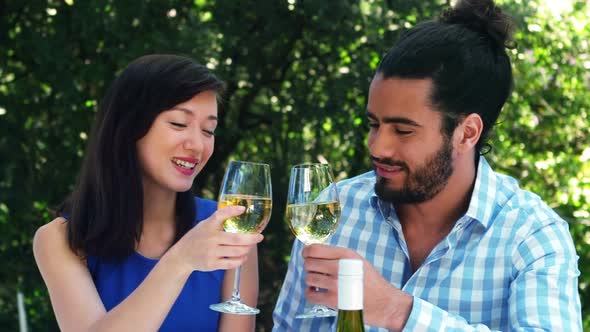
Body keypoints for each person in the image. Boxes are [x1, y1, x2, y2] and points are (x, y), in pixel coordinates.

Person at [273, 0, 582, 331]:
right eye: (374, 124)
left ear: (467, 133)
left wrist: (396, 311)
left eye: (403, 130)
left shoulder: (532, 235)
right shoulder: (333, 212)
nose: (377, 146)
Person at [33, 54, 263, 332]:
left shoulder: (228, 230)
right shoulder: (60, 238)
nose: (197, 145)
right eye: (179, 124)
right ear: (129, 127)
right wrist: (180, 262)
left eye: (208, 130)